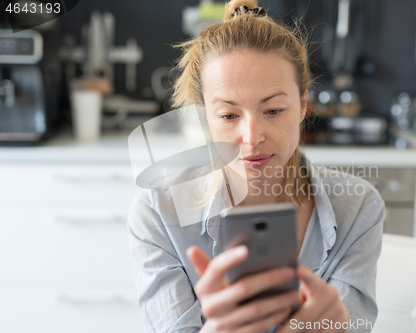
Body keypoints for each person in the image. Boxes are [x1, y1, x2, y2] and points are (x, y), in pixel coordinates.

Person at [127, 1, 385, 332]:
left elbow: (354, 326)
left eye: (274, 110)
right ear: (204, 115)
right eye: (229, 115)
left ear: (304, 104)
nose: (252, 137)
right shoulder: (158, 213)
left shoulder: (358, 208)